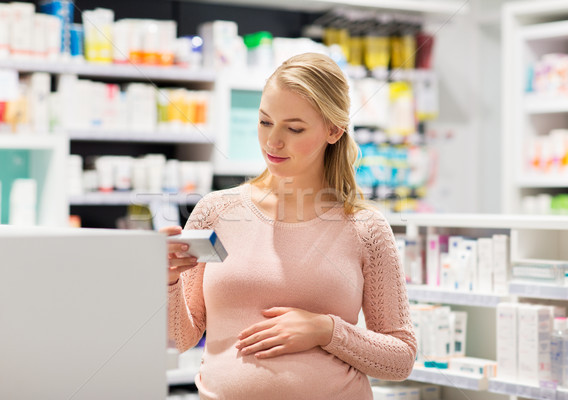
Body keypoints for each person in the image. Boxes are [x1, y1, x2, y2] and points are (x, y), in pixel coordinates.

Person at [162, 52, 416, 400]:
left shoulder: (365, 228)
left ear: (333, 130)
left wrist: (325, 330)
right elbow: (179, 339)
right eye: (265, 122)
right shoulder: (216, 211)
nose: (273, 142)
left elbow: (401, 358)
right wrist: (168, 280)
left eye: (294, 128)